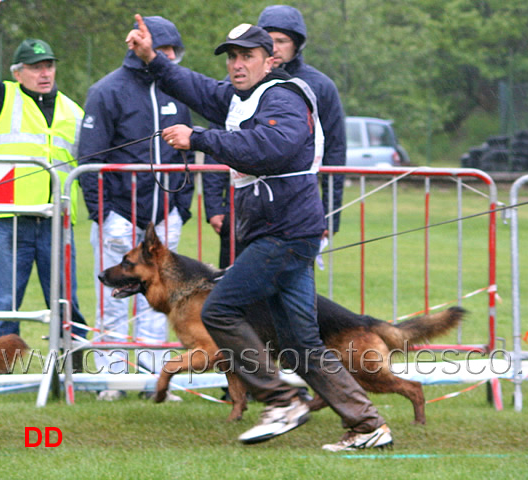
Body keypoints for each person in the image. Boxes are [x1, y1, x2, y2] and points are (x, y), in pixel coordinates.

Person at [126, 16, 392, 451]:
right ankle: (368, 425)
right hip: (283, 230)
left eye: (246, 55)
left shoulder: (281, 98)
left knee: (220, 309)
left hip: (283, 233)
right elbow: (195, 86)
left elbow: (274, 147)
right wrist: (153, 58)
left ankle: (281, 400)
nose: (236, 64)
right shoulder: (240, 97)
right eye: (231, 56)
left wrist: (199, 137)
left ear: (269, 61)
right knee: (301, 339)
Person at [0, 0, 87, 370]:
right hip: (8, 219)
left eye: (48, 65)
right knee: (4, 304)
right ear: (19, 73)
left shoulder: (73, 110)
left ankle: (73, 371)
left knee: (66, 301)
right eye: (35, 67)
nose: (44, 72)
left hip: (56, 221)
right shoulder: (1, 98)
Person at [78, 16, 194, 400]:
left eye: (175, 50)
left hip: (164, 218)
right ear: (144, 48)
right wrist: (102, 213)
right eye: (166, 49)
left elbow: (188, 153)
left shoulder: (179, 91)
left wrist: (181, 206)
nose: (172, 56)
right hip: (119, 216)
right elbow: (89, 159)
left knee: (158, 298)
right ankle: (110, 380)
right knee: (112, 297)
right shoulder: (106, 91)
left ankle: (150, 379)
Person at [258, 5, 346, 238]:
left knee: (297, 273)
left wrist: (330, 213)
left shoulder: (321, 86)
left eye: (282, 40)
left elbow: (335, 152)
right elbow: (219, 137)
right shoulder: (240, 79)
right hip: (248, 204)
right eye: (268, 40)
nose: (274, 48)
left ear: (296, 44)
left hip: (300, 206)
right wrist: (216, 207)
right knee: (236, 274)